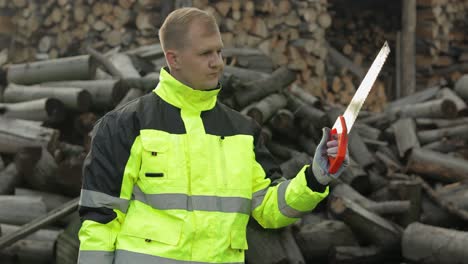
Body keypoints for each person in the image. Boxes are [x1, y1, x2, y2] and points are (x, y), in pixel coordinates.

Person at [77, 7, 348, 264]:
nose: (217, 63)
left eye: (219, 52)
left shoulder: (242, 131)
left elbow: (268, 209)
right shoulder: (124, 126)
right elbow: (99, 223)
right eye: (205, 53)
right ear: (174, 59)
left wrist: (314, 178)